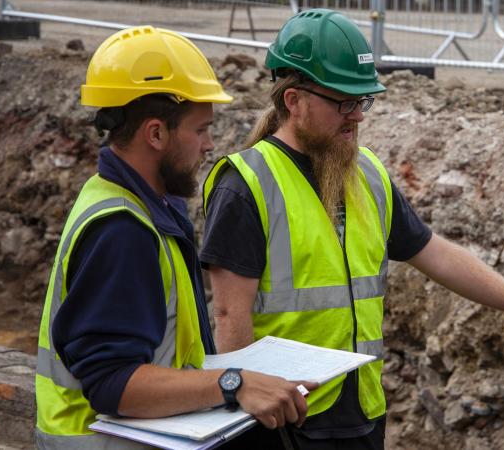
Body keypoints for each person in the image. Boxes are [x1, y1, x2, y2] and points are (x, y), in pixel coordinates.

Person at [200, 9, 504, 449]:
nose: (358, 116)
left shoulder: (365, 173)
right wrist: (243, 419)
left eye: (364, 101)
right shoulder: (245, 185)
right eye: (344, 102)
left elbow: (435, 253)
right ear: (294, 101)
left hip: (362, 417)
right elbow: (228, 318)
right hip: (284, 426)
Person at [34, 26, 316, 449]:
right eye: (201, 129)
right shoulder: (122, 231)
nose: (210, 145)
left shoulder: (138, 204)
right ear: (156, 134)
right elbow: (112, 383)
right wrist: (233, 383)